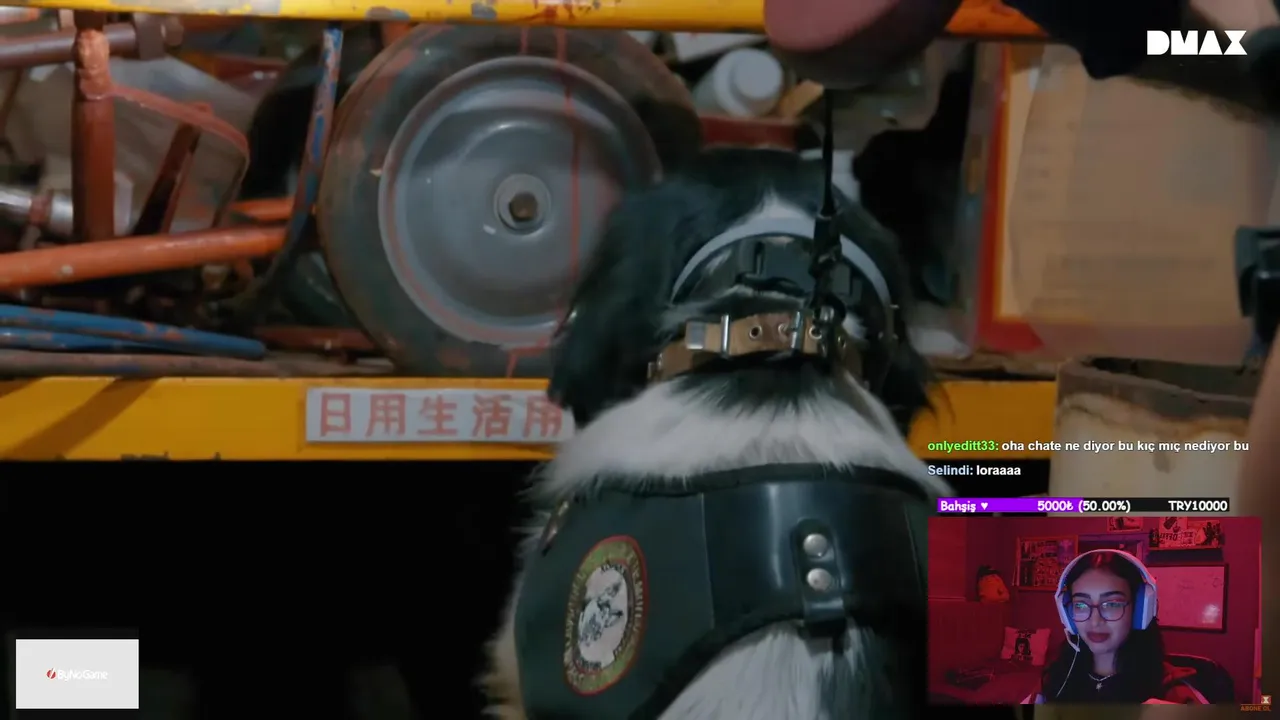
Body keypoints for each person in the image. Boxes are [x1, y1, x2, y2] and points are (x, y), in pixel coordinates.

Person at [1024, 550, 1209, 704]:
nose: (1095, 621)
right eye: (1080, 604)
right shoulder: (1054, 681)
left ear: (1139, 610)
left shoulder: (1172, 689)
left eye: (1112, 604)